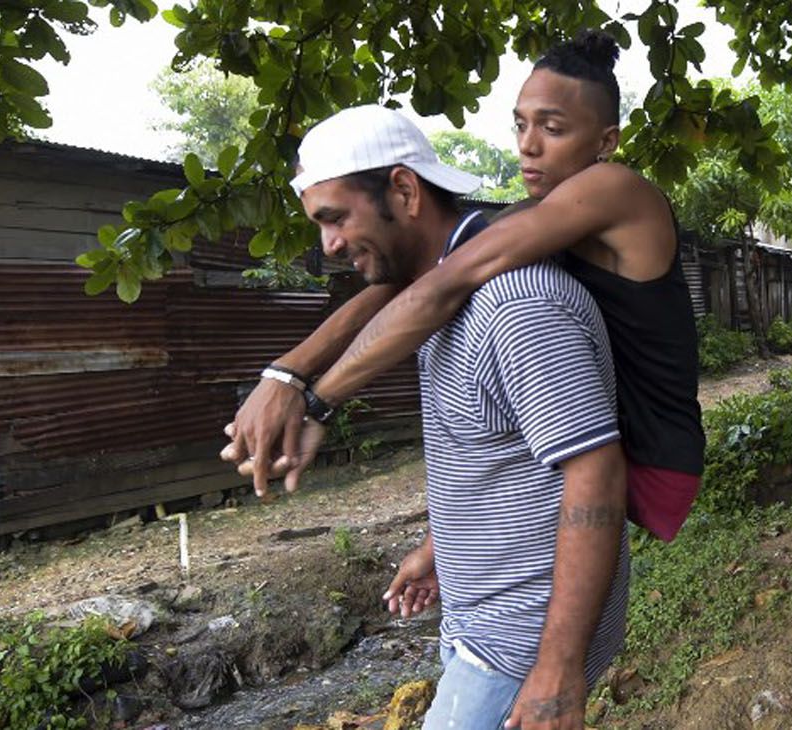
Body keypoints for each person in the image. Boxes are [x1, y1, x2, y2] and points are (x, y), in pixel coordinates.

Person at [223, 31, 704, 541]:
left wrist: (318, 402)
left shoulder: (616, 189)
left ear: (606, 141)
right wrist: (284, 375)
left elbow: (443, 283)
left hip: (656, 462)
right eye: (520, 124)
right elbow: (410, 282)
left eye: (553, 127)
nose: (527, 145)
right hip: (621, 446)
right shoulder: (542, 214)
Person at [289, 104, 629, 729]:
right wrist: (442, 550)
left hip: (520, 639)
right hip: (484, 623)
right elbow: (503, 460)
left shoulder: (514, 304)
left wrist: (558, 667)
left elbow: (597, 476)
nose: (329, 245)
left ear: (403, 189)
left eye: (334, 218)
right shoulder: (443, 302)